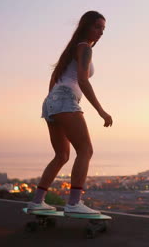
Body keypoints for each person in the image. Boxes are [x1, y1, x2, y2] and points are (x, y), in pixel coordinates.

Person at [27, 11, 113, 216]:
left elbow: (54, 81)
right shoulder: (84, 48)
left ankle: (37, 201)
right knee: (85, 150)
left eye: (103, 28)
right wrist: (102, 111)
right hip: (65, 100)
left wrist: (52, 105)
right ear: (86, 26)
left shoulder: (71, 50)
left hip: (51, 103)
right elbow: (83, 81)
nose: (101, 32)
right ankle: (74, 203)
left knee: (61, 155)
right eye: (97, 27)